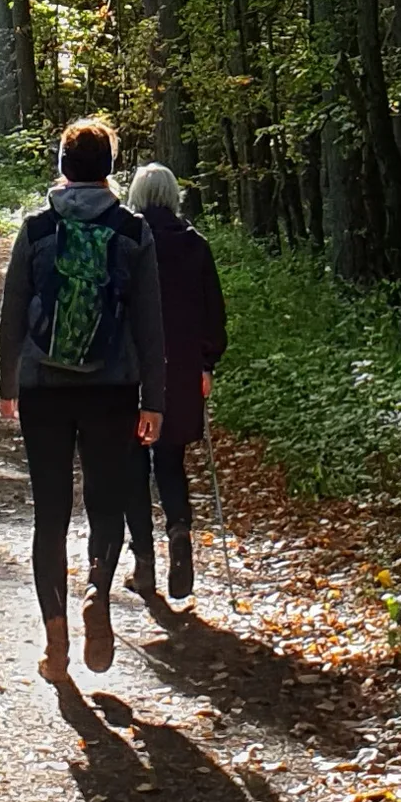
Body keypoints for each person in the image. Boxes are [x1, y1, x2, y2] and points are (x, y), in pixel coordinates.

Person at [0, 115, 165, 685]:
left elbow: (12, 312)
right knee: (107, 503)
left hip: (43, 387)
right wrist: (155, 401)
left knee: (49, 514)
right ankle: (97, 589)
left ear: (63, 166)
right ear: (110, 170)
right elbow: (150, 324)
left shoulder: (38, 229)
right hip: (114, 388)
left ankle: (55, 637)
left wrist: (7, 384)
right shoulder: (133, 231)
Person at [121, 163, 227, 603]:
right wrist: (207, 361)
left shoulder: (125, 240)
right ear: (173, 196)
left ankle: (143, 560)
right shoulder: (195, 245)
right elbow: (212, 314)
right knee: (170, 461)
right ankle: (179, 530)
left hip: (131, 370)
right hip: (181, 370)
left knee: (131, 465)